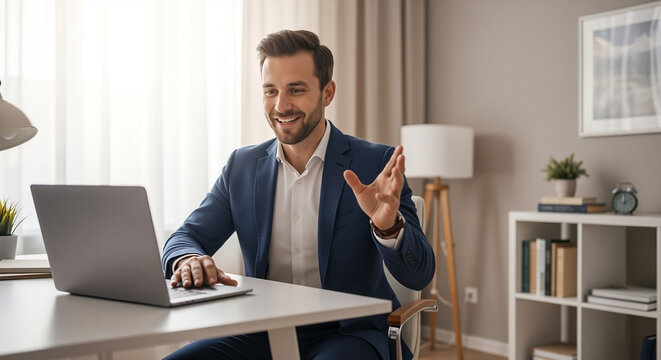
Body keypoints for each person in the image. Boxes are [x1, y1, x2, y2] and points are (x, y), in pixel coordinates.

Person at [162, 29, 435, 360]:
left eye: (296, 89)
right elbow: (185, 237)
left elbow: (419, 273)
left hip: (351, 334)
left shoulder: (375, 164)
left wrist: (389, 228)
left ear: (327, 92)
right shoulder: (241, 167)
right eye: (270, 91)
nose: (281, 105)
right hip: (261, 331)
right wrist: (188, 258)